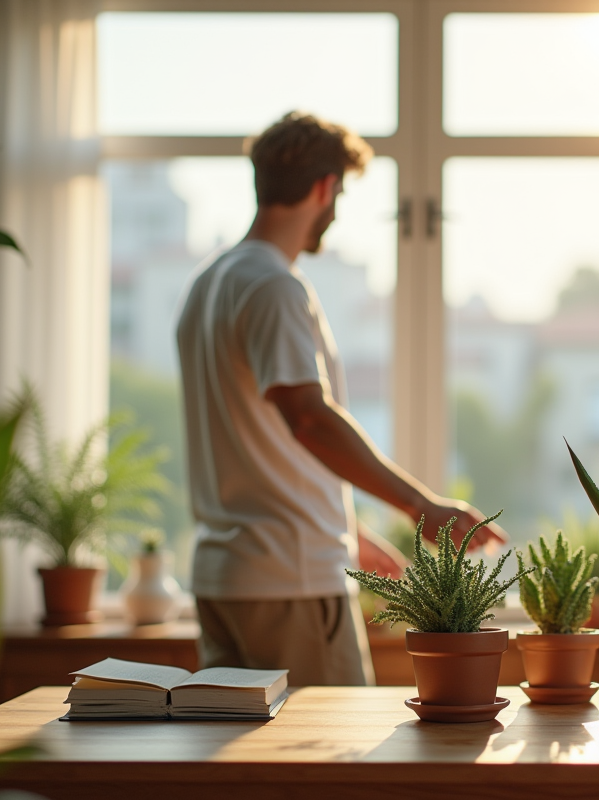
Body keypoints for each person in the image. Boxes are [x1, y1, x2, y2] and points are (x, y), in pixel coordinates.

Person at [175, 111, 507, 687]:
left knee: (241, 767)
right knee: (325, 764)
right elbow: (307, 418)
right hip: (291, 585)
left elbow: (256, 444)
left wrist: (348, 536)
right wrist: (420, 505)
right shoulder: (274, 286)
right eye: (341, 193)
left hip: (225, 580)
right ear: (325, 187)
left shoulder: (208, 285)